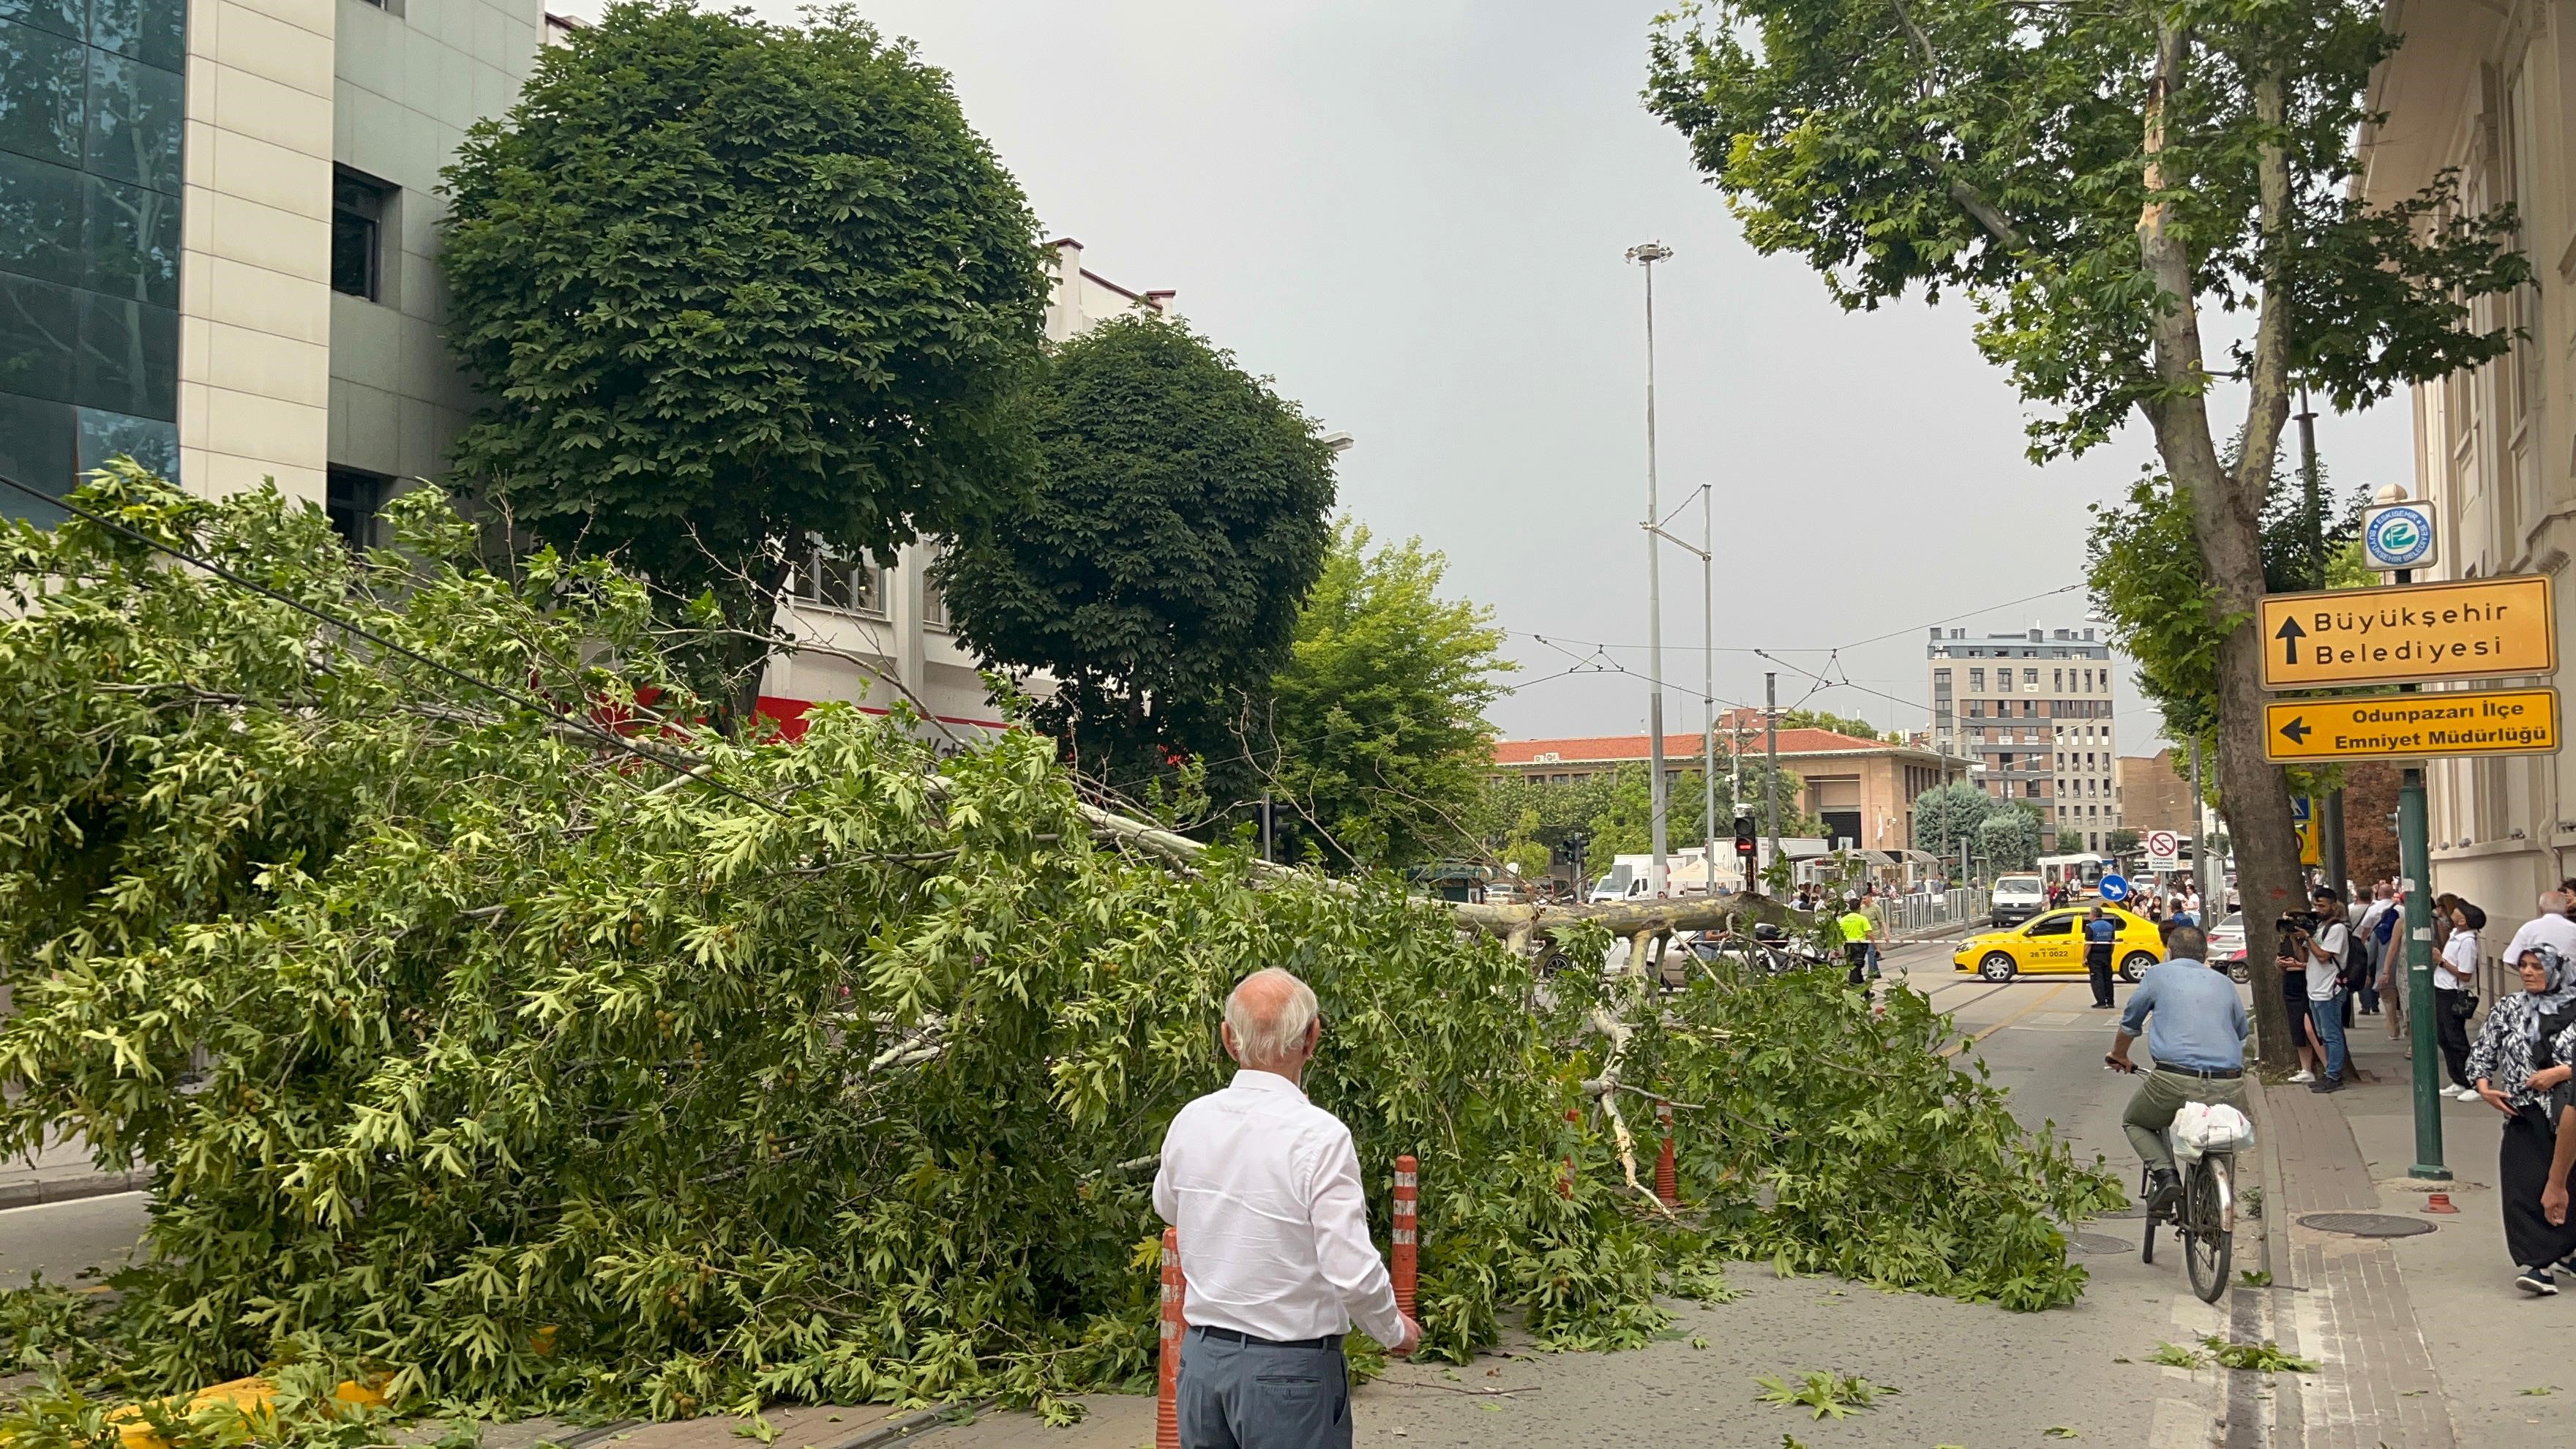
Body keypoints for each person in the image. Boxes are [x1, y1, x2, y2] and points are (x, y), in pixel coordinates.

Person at [1154, 968, 1418, 1448]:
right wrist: (1393, 1329)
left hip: (1203, 1362)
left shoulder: (1191, 1121)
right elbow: (1351, 1271)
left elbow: (1168, 1206)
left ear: (1229, 1038)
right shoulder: (1319, 1136)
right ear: (1311, 1038)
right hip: (1289, 1371)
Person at [2108, 924, 2248, 1215]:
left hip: (2173, 1079)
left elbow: (2131, 1021)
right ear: (2205, 953)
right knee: (2218, 1138)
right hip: (2229, 1081)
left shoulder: (2157, 974)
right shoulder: (2224, 983)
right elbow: (2241, 1031)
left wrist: (2119, 1055)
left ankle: (2166, 1175)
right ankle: (2217, 1214)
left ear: (2169, 952)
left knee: (2135, 1121)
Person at [2465, 947, 2576, 1295]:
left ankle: (2567, 1252)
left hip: (2569, 1110)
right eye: (2523, 966)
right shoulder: (2509, 1007)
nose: (2528, 972)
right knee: (2524, 1185)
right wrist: (2483, 1085)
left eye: (2537, 967)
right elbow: (2484, 1049)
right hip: (2525, 1111)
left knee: (2568, 1183)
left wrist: (2559, 1073)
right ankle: (2537, 1263)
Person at [2296, 886, 2352, 1093]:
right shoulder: (2320, 927)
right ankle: (2330, 1072)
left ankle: (2334, 1075)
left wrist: (2308, 938)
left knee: (2332, 1035)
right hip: (2316, 988)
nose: (2318, 909)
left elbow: (2323, 956)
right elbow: (2308, 957)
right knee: (2322, 1034)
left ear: (2333, 906)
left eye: (2322, 905)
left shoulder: (2337, 929)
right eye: (2316, 905)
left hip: (2330, 990)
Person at [2435, 900, 2485, 1098]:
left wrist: (2441, 961)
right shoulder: (2457, 935)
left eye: (2456, 911)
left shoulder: (2468, 942)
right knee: (2443, 1037)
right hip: (2441, 989)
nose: (2452, 912)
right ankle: (2458, 1079)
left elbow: (2465, 974)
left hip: (2452, 993)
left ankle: (2474, 1082)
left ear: (2463, 920)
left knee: (2456, 1039)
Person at [2503, 888, 2576, 968]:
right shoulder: (2573, 929)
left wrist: (2527, 971)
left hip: (2538, 978)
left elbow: (2510, 958)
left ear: (2540, 909)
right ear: (2565, 908)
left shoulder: (2527, 929)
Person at [2355, 883, 2395, 1016]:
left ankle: (2367, 1005)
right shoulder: (2400, 909)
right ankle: (2375, 1003)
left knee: (2369, 972)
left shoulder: (2373, 909)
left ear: (2379, 894)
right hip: (2394, 945)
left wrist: (2361, 946)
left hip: (2372, 943)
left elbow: (2365, 929)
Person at [2083, 905, 2119, 1010]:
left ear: (2093, 915)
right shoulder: (2110, 926)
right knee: (2108, 978)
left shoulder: (2090, 927)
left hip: (2095, 955)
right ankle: (2111, 1001)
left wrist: (2084, 958)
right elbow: (2112, 943)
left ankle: (2101, 1002)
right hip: (2107, 954)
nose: (2089, 916)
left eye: (2090, 914)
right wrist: (2110, 953)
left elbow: (2089, 944)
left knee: (2097, 978)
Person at [1837, 897, 1874, 988]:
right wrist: (1875, 943)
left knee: (1856, 968)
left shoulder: (1843, 920)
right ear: (1859, 908)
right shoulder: (1862, 919)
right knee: (1856, 968)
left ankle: (1865, 992)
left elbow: (1838, 933)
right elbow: (1869, 934)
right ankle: (1852, 987)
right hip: (1859, 947)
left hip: (1847, 946)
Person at [1860, 885, 1889, 981]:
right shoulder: (1862, 908)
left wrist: (1886, 934)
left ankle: (1871, 972)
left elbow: (1882, 921)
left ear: (1870, 898)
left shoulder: (1876, 908)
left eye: (1865, 898)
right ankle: (1877, 972)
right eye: (1862, 899)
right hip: (1865, 934)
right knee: (1870, 953)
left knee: (1870, 952)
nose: (1863, 900)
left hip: (1875, 934)